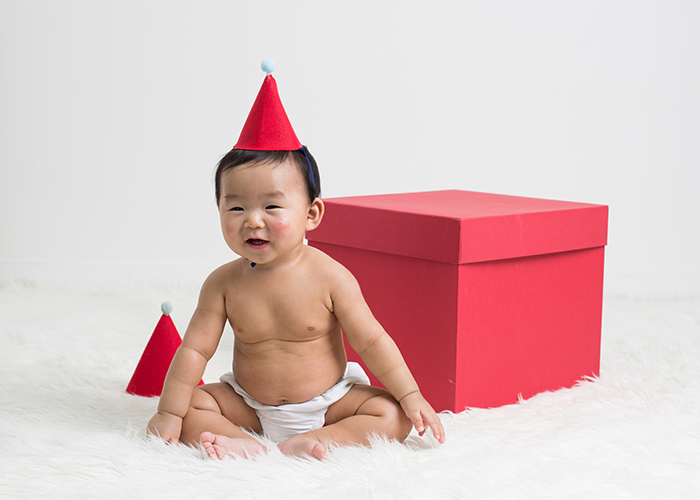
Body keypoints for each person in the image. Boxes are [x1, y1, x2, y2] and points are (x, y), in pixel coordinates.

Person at [146, 61, 445, 460]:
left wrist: (411, 395)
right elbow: (194, 352)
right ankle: (247, 445)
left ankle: (319, 439)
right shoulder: (222, 284)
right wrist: (168, 412)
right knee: (195, 406)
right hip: (250, 403)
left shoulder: (331, 277)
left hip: (328, 401)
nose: (253, 220)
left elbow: (372, 341)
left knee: (392, 415)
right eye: (236, 208)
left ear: (311, 214)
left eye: (272, 206)